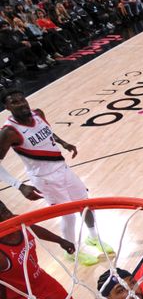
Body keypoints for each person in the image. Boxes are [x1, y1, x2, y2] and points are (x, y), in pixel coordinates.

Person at [0, 89, 114, 265]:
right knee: (68, 215)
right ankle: (72, 251)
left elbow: (47, 132)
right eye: (14, 102)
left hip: (62, 168)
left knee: (86, 204)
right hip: (45, 178)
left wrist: (63, 142)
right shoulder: (9, 132)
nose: (21, 103)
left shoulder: (38, 114)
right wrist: (19, 185)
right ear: (7, 107)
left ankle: (93, 237)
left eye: (22, 99)